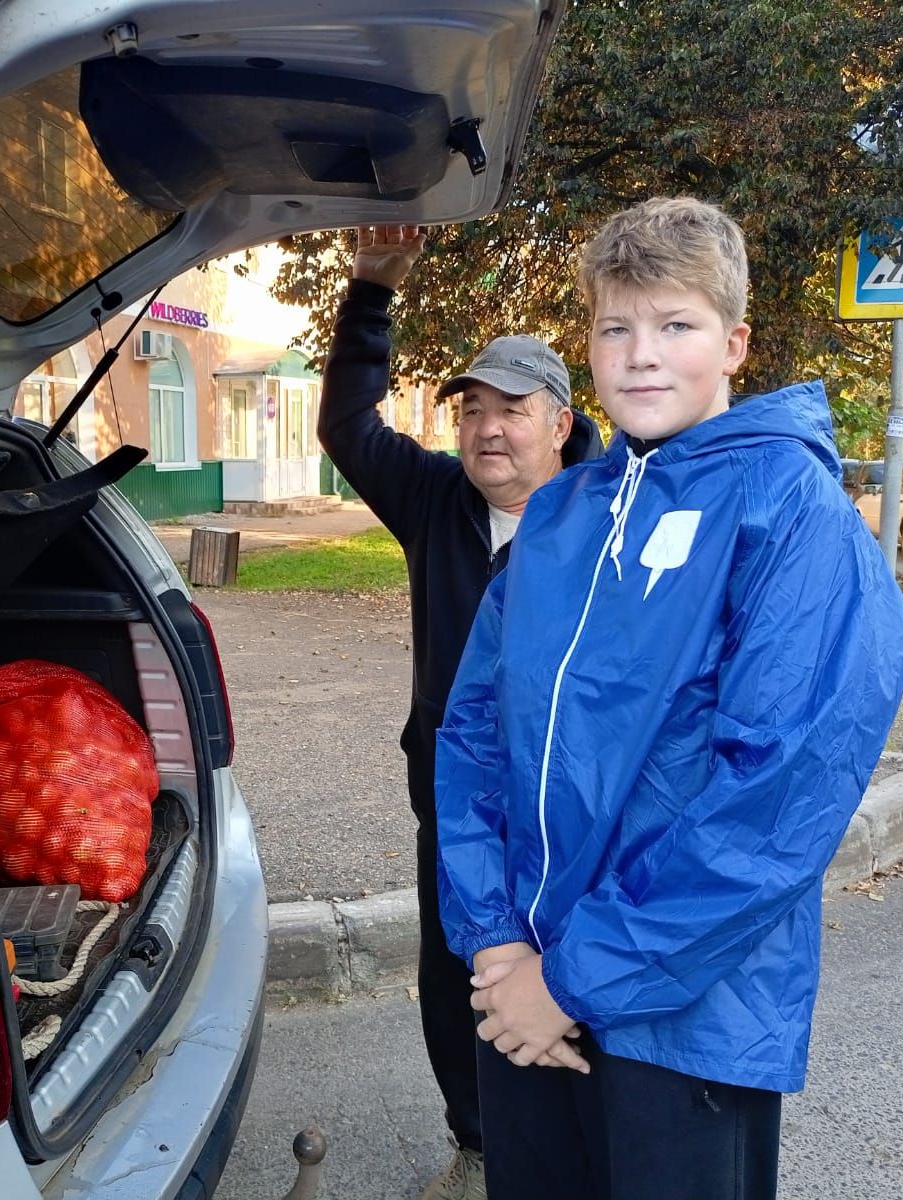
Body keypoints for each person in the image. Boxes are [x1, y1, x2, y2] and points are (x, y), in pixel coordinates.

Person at [435, 197, 903, 1200]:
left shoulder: (790, 513)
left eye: (676, 326)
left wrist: (570, 980)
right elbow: (475, 730)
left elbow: (777, 798)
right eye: (617, 327)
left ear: (735, 342)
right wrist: (497, 941)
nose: (641, 355)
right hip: (524, 987)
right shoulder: (563, 512)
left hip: (685, 1017)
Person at [318, 223, 604, 1200]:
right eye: (471, 410)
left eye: (511, 409)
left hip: (575, 808)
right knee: (460, 977)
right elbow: (348, 429)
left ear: (560, 422)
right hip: (455, 804)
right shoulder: (436, 501)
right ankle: (481, 1145)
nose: (486, 428)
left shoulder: (614, 518)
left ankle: (588, 1136)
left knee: (577, 969)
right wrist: (369, 290)